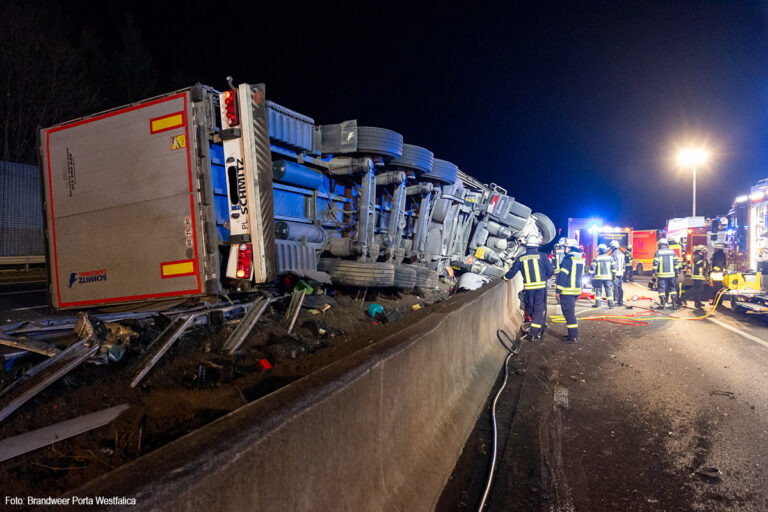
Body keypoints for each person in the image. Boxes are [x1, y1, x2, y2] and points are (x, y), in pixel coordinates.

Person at [504, 235, 554, 340]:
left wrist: (504, 277)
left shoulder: (521, 258)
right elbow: (550, 271)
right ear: (537, 246)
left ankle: (536, 328)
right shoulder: (542, 256)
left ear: (527, 246)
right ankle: (534, 332)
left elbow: (512, 271)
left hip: (528, 289)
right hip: (540, 289)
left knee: (531, 308)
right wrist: (546, 276)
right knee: (538, 310)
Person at [555, 238, 585, 342]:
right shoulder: (580, 258)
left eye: (565, 247)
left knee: (569, 314)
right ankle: (572, 335)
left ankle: (573, 337)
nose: (564, 249)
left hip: (567, 290)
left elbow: (563, 276)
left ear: (569, 248)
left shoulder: (568, 259)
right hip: (576, 290)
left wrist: (558, 291)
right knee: (570, 313)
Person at [653, 238, 680, 308]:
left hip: (662, 275)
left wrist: (654, 272)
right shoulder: (672, 252)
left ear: (660, 245)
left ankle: (663, 303)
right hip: (671, 274)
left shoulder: (658, 252)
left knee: (662, 289)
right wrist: (677, 272)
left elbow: (655, 263)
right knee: (672, 288)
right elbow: (676, 262)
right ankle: (674, 303)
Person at [589, 243, 616, 308]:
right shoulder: (610, 258)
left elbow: (592, 268)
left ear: (600, 250)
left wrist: (589, 274)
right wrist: (613, 278)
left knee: (598, 291)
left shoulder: (597, 258)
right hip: (608, 278)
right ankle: (611, 304)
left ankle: (598, 304)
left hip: (598, 278)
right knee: (608, 291)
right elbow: (614, 269)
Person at [689, 245, 709, 309]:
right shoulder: (697, 257)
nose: (704, 252)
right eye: (703, 251)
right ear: (700, 251)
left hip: (699, 276)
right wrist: (705, 261)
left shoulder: (700, 257)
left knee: (698, 290)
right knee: (696, 290)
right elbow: (701, 264)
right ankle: (684, 299)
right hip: (696, 276)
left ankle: (698, 302)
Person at [610, 240, 626, 306]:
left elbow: (614, 264)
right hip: (621, 273)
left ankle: (616, 300)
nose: (611, 248)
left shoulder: (614, 254)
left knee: (615, 287)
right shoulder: (621, 254)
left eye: (611, 247)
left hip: (615, 273)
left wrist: (612, 273)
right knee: (620, 287)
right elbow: (624, 264)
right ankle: (620, 300)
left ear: (613, 247)